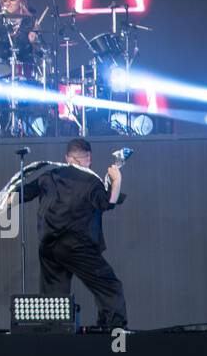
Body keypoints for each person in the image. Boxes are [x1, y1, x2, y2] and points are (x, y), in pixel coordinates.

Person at [9, 138, 128, 328]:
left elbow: (21, 194)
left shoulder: (49, 176)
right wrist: (117, 180)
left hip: (49, 246)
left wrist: (1, 204)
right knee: (110, 288)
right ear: (88, 158)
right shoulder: (91, 181)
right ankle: (115, 340)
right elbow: (108, 202)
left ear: (67, 158)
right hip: (77, 246)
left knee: (54, 299)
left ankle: (53, 339)